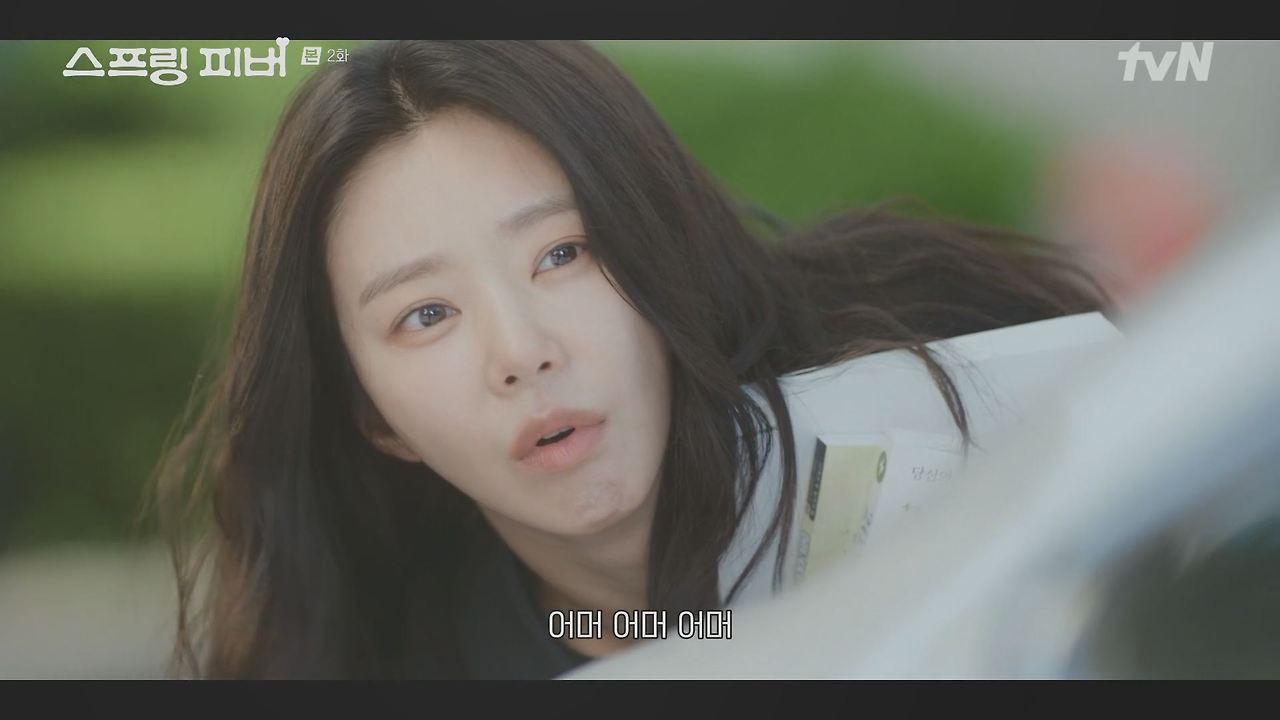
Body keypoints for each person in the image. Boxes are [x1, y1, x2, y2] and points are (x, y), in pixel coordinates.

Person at [148, 40, 1107, 679]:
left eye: (563, 254)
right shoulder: (396, 659)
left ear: (661, 240)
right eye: (427, 314)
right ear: (372, 415)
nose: (521, 352)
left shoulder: (944, 354)